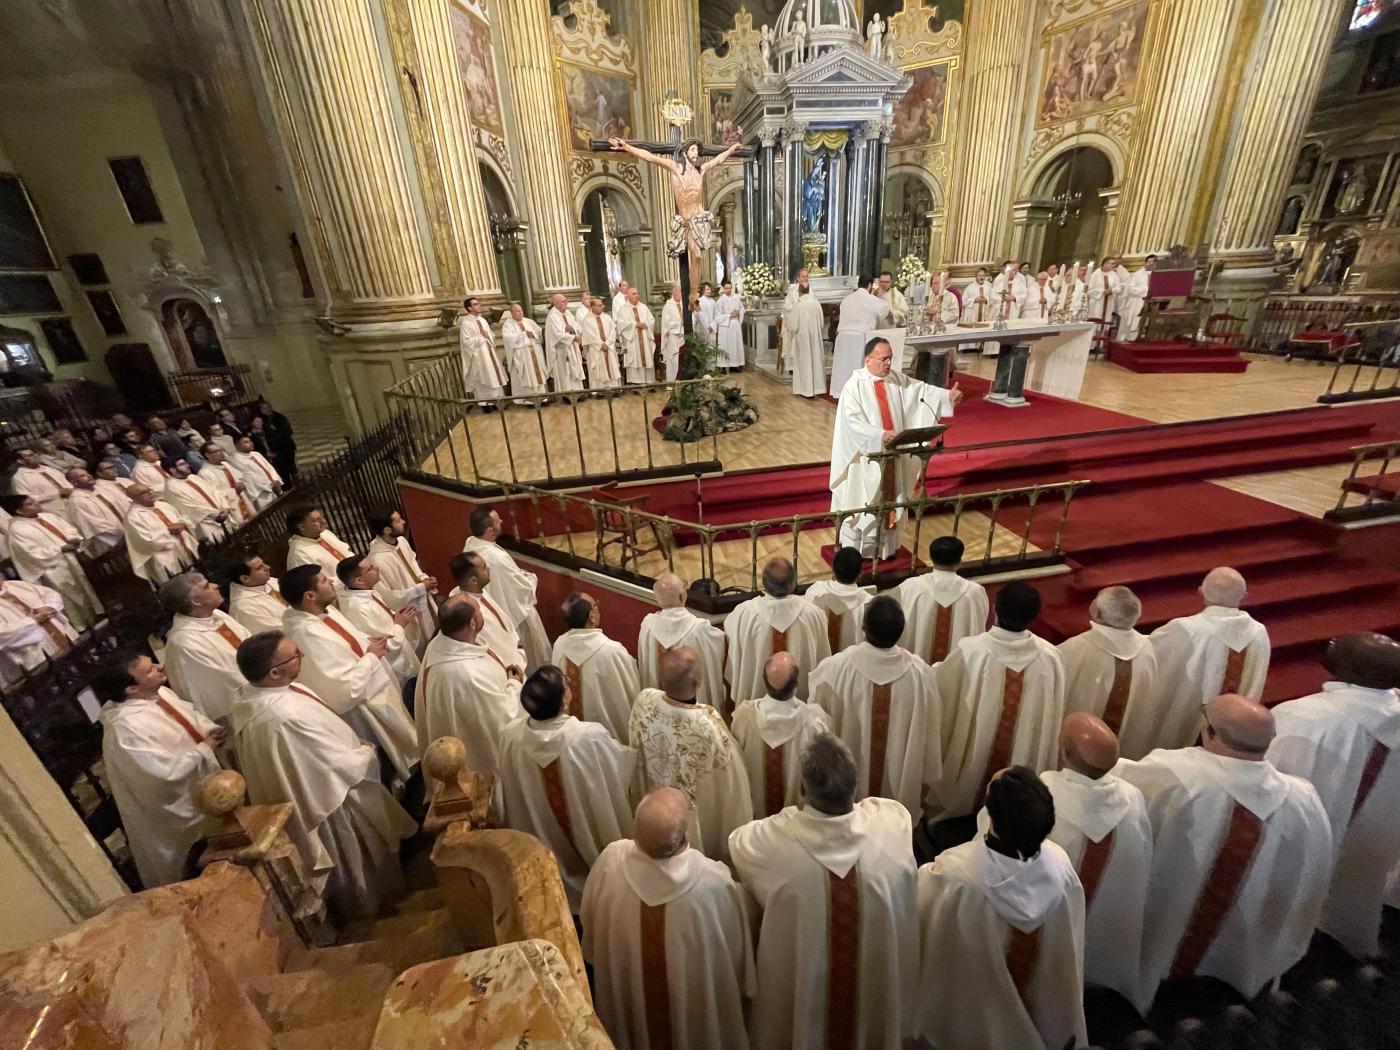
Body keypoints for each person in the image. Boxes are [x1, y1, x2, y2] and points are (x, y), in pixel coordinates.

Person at [1117, 694, 1333, 1000]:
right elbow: (1312, 872)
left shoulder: (1171, 775)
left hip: (1163, 928)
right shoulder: (1304, 798)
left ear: (1210, 732)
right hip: (1247, 945)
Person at [730, 733, 918, 1050]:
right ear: (855, 787)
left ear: (802, 791)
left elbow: (737, 841)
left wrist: (791, 815)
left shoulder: (772, 842)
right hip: (872, 985)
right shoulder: (891, 826)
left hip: (802, 980)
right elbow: (893, 810)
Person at [233, 631, 416, 920]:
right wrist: (364, 754)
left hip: (327, 787)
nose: (301, 658)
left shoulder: (259, 696)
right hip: (332, 801)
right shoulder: (281, 717)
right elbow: (331, 766)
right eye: (296, 655)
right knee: (360, 862)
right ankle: (374, 913)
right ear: (276, 671)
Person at [915, 767, 1088, 1050]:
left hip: (969, 1011)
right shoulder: (1062, 866)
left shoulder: (954, 874)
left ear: (990, 814)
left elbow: (920, 931)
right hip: (1039, 1008)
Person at [582, 787, 755, 1050]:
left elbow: (588, 922)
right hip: (694, 1013)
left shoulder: (609, 864)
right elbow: (736, 953)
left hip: (629, 1004)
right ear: (686, 833)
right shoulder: (714, 884)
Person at [1268, 632, 1400, 958]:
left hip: (1307, 830)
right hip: (1374, 838)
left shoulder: (1304, 715)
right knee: (1355, 888)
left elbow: (1266, 776)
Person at [1026, 713, 1152, 1011]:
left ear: (1064, 753)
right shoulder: (1132, 798)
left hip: (1045, 923)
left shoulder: (1042, 796)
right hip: (1110, 926)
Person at [497, 665, 637, 911]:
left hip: (540, 843)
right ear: (563, 700)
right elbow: (620, 770)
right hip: (589, 842)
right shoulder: (588, 737)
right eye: (566, 684)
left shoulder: (509, 737)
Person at [934, 581, 1066, 825]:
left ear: (995, 609)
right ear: (1036, 616)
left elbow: (941, 689)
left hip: (972, 764)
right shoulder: (1051, 657)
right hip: (1022, 768)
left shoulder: (972, 650)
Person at [280, 564, 419, 786]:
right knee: (392, 764)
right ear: (310, 596)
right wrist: (372, 656)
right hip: (365, 710)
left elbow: (351, 643)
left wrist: (368, 644)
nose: (333, 583)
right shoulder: (306, 634)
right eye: (325, 581)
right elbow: (343, 689)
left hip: (377, 688)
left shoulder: (326, 612)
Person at [95, 652, 223, 887]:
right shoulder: (126, 727)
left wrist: (208, 730)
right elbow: (162, 774)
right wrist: (203, 749)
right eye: (150, 670)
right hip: (177, 801)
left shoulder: (158, 693)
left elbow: (190, 716)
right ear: (131, 690)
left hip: (204, 779)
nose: (159, 666)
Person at [809, 596, 942, 818]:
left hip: (843, 791)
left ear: (863, 627)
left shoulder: (833, 671)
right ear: (901, 631)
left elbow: (818, 725)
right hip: (899, 788)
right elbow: (929, 730)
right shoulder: (922, 675)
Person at [829, 338, 960, 559]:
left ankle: (885, 550)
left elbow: (920, 391)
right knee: (864, 503)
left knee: (892, 500)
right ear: (868, 359)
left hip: (893, 455)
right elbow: (851, 423)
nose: (888, 363)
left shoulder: (896, 379)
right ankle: (857, 552)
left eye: (891, 358)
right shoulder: (854, 386)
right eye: (883, 359)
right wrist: (879, 435)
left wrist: (946, 396)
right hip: (866, 461)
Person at [629, 646, 751, 864]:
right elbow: (731, 780)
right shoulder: (707, 724)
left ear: (661, 680)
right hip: (690, 813)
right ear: (697, 684)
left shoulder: (643, 701)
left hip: (653, 802)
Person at [1149, 567, 1270, 750]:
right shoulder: (1259, 632)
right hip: (1239, 732)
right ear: (1244, 595)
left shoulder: (1186, 629)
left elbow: (1146, 656)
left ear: (1201, 592)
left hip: (1186, 734)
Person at [416, 595, 522, 775]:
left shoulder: (441, 644)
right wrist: (514, 685)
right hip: (476, 754)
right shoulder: (466, 675)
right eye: (479, 610)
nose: (483, 612)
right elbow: (503, 718)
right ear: (472, 623)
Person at [1058, 585, 1162, 760]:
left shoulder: (1075, 649)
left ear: (1097, 612)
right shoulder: (1147, 648)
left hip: (1078, 751)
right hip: (1127, 754)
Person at [730, 651, 832, 817]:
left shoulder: (743, 716)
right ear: (797, 683)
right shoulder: (814, 721)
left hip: (754, 816)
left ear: (764, 681)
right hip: (796, 818)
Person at [724, 556, 831, 704]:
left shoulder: (745, 613)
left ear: (764, 584)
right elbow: (822, 657)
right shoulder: (813, 614)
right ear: (793, 583)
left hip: (755, 709)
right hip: (804, 712)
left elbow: (731, 643)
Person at [462, 505, 551, 670]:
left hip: (497, 607)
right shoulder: (495, 558)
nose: (502, 521)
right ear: (490, 531)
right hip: (512, 614)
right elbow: (522, 590)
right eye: (498, 521)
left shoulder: (471, 543)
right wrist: (531, 578)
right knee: (530, 658)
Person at [159, 571, 251, 724]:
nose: (216, 586)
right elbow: (223, 685)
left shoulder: (216, 615)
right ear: (196, 601)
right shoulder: (185, 643)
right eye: (207, 586)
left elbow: (250, 642)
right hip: (242, 715)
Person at [2, 494, 102, 631]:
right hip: (52, 569)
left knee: (86, 591)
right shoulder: (17, 530)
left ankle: (97, 619)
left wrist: (73, 538)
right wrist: (59, 549)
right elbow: (31, 553)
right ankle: (82, 627)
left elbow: (68, 529)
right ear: (19, 511)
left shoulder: (46, 517)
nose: (36, 503)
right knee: (69, 599)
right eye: (30, 504)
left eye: (34, 500)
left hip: (71, 560)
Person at [551, 591, 639, 740]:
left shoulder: (559, 644)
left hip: (571, 739)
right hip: (607, 741)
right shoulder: (612, 651)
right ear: (591, 616)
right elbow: (632, 692)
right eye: (595, 605)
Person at [636, 571, 727, 710]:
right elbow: (719, 645)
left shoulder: (648, 625)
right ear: (682, 595)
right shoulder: (699, 629)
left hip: (661, 705)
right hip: (693, 707)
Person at [893, 536, 989, 664]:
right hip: (959, 674)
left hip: (918, 672)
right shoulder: (975, 593)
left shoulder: (910, 587)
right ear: (960, 561)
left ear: (931, 559)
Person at [337, 555, 421, 690]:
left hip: (404, 655)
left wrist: (396, 616)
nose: (377, 568)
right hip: (396, 666)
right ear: (358, 580)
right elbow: (382, 644)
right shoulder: (357, 609)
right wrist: (399, 625)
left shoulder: (367, 592)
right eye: (371, 569)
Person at [366, 510, 437, 653]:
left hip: (424, 599)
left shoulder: (402, 541)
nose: (404, 522)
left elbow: (412, 565)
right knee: (423, 648)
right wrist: (420, 588)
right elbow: (388, 597)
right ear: (387, 530)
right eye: (398, 521)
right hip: (410, 611)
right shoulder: (378, 559)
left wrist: (425, 579)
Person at [448, 550, 526, 672]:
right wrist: (513, 662)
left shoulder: (477, 592)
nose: (488, 568)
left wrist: (514, 642)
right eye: (484, 568)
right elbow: (492, 644)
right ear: (473, 580)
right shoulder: (469, 613)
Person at [0, 575, 78, 683]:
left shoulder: (15, 585)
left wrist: (49, 607)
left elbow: (50, 594)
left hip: (67, 639)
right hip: (36, 659)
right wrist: (33, 621)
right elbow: (2, 633)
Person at [830, 277, 893, 397]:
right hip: (859, 338)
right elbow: (885, 309)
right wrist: (879, 296)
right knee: (857, 369)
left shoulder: (847, 299)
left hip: (842, 338)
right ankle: (856, 395)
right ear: (869, 285)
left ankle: (841, 393)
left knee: (843, 369)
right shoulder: (869, 298)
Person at [123, 483, 197, 584]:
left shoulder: (162, 505)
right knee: (180, 584)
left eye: (150, 489)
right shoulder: (133, 517)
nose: (151, 493)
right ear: (134, 498)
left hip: (187, 546)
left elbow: (182, 517)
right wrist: (168, 531)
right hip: (165, 557)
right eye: (144, 492)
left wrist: (183, 523)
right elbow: (146, 542)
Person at [803, 546, 870, 653]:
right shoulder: (869, 604)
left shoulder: (815, 592)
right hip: (851, 666)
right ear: (860, 574)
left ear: (833, 569)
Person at [284, 506, 354, 594]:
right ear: (301, 527)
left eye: (322, 517)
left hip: (354, 580)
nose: (323, 522)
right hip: (341, 593)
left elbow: (347, 553)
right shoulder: (300, 555)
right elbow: (318, 588)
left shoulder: (325, 534)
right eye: (316, 520)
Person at [163, 457, 231, 544]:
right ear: (172, 470)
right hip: (206, 524)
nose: (188, 465)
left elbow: (214, 491)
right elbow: (191, 508)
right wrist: (216, 514)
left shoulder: (193, 477)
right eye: (182, 464)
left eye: (186, 463)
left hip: (223, 516)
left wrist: (225, 507)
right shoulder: (171, 488)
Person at [782, 267, 826, 398]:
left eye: (807, 276)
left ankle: (810, 389)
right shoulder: (794, 293)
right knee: (809, 361)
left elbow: (794, 324)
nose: (805, 278)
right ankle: (810, 388)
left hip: (807, 334)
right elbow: (787, 309)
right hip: (807, 335)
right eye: (803, 276)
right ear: (798, 278)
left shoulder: (808, 296)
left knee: (809, 361)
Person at [64, 466, 126, 556]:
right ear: (74, 482)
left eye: (87, 473)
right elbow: (97, 526)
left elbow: (122, 506)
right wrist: (123, 533)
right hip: (111, 545)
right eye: (82, 476)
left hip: (127, 534)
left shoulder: (101, 490)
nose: (89, 476)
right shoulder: (77, 501)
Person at [458, 296, 507, 401]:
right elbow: (466, 341)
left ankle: (498, 400)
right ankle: (485, 403)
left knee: (493, 375)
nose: (479, 306)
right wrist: (481, 337)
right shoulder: (466, 323)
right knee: (483, 378)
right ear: (469, 308)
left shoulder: (482, 320)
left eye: (478, 304)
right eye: (475, 304)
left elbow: (490, 334)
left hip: (489, 352)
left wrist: (488, 335)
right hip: (478, 355)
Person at [227, 553, 288, 635]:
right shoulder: (244, 608)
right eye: (260, 568)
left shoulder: (268, 581)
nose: (267, 567)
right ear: (245, 579)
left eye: (264, 563)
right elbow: (278, 633)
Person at [500, 301, 550, 400]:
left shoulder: (528, 321)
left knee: (537, 376)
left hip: (534, 353)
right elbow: (507, 339)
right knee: (526, 377)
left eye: (521, 311)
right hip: (522, 357)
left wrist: (533, 334)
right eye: (517, 311)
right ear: (512, 313)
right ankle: (528, 400)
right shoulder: (507, 325)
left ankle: (542, 398)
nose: (520, 313)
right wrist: (523, 335)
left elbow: (538, 332)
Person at [198, 443, 253, 524]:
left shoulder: (226, 464)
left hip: (243, 499)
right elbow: (214, 494)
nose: (221, 453)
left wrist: (242, 483)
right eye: (216, 451)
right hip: (231, 507)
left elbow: (244, 475)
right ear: (207, 455)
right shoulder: (205, 473)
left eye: (221, 450)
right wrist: (233, 491)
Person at [8, 446, 72, 514]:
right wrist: (50, 495)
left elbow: (66, 482)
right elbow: (25, 499)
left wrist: (69, 489)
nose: (36, 455)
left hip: (70, 503)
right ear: (20, 461)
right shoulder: (19, 478)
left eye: (34, 453)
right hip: (51, 510)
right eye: (30, 455)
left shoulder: (49, 469)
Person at [545, 293, 586, 397]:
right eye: (564, 301)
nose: (566, 303)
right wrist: (571, 336)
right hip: (562, 350)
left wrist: (573, 329)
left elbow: (577, 327)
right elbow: (556, 334)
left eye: (566, 300)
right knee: (566, 373)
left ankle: (578, 393)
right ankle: (567, 395)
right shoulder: (552, 316)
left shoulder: (567, 313)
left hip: (572, 347)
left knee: (575, 370)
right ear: (556, 303)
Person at [230, 435, 283, 510]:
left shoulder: (256, 454)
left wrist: (275, 480)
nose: (251, 443)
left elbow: (269, 468)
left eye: (250, 441)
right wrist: (270, 485)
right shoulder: (235, 459)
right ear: (237, 445)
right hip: (261, 492)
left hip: (274, 486)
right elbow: (249, 477)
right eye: (246, 442)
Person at [579, 296, 621, 390]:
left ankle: (614, 389)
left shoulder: (607, 317)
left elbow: (613, 331)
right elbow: (589, 335)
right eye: (599, 305)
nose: (603, 307)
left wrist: (608, 343)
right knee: (598, 369)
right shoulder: (587, 320)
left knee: (612, 367)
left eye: (602, 305)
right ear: (593, 307)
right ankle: (599, 390)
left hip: (608, 348)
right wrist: (600, 344)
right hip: (596, 350)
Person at [618, 288, 656, 385]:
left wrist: (646, 324)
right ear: (628, 296)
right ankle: (637, 383)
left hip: (644, 337)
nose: (637, 295)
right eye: (634, 294)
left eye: (637, 293)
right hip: (633, 340)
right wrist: (635, 324)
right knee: (635, 359)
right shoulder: (623, 309)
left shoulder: (644, 307)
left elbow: (652, 320)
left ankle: (649, 382)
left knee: (647, 358)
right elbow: (621, 325)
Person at [1118, 255, 1155, 340]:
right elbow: (1130, 289)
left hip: (1151, 303)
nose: (1151, 264)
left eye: (1153, 262)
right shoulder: (1137, 274)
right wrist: (1146, 290)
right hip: (1137, 302)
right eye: (1149, 261)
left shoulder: (1157, 275)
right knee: (1134, 324)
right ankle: (1131, 340)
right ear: (1145, 263)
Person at [713, 279, 745, 370]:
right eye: (727, 288)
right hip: (725, 326)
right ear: (723, 288)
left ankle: (736, 365)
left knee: (735, 344)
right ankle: (724, 366)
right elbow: (718, 317)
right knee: (726, 345)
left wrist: (739, 312)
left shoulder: (736, 297)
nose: (729, 290)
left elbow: (742, 309)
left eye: (730, 288)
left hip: (735, 324)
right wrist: (729, 315)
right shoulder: (720, 301)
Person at [659, 283, 685, 381]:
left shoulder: (684, 304)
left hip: (684, 335)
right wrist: (680, 323)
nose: (682, 293)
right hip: (674, 337)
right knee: (673, 360)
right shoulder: (668, 306)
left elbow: (692, 318)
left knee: (684, 360)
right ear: (674, 292)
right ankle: (671, 384)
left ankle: (684, 381)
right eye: (680, 291)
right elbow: (667, 323)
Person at [1087, 255, 1122, 325]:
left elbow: (1119, 288)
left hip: (1109, 302)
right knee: (1096, 322)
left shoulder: (1114, 275)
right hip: (1097, 303)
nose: (1114, 265)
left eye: (1114, 264)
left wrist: (1112, 290)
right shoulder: (1095, 275)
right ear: (1105, 264)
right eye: (1112, 264)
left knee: (1106, 322)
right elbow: (1089, 291)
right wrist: (1102, 291)